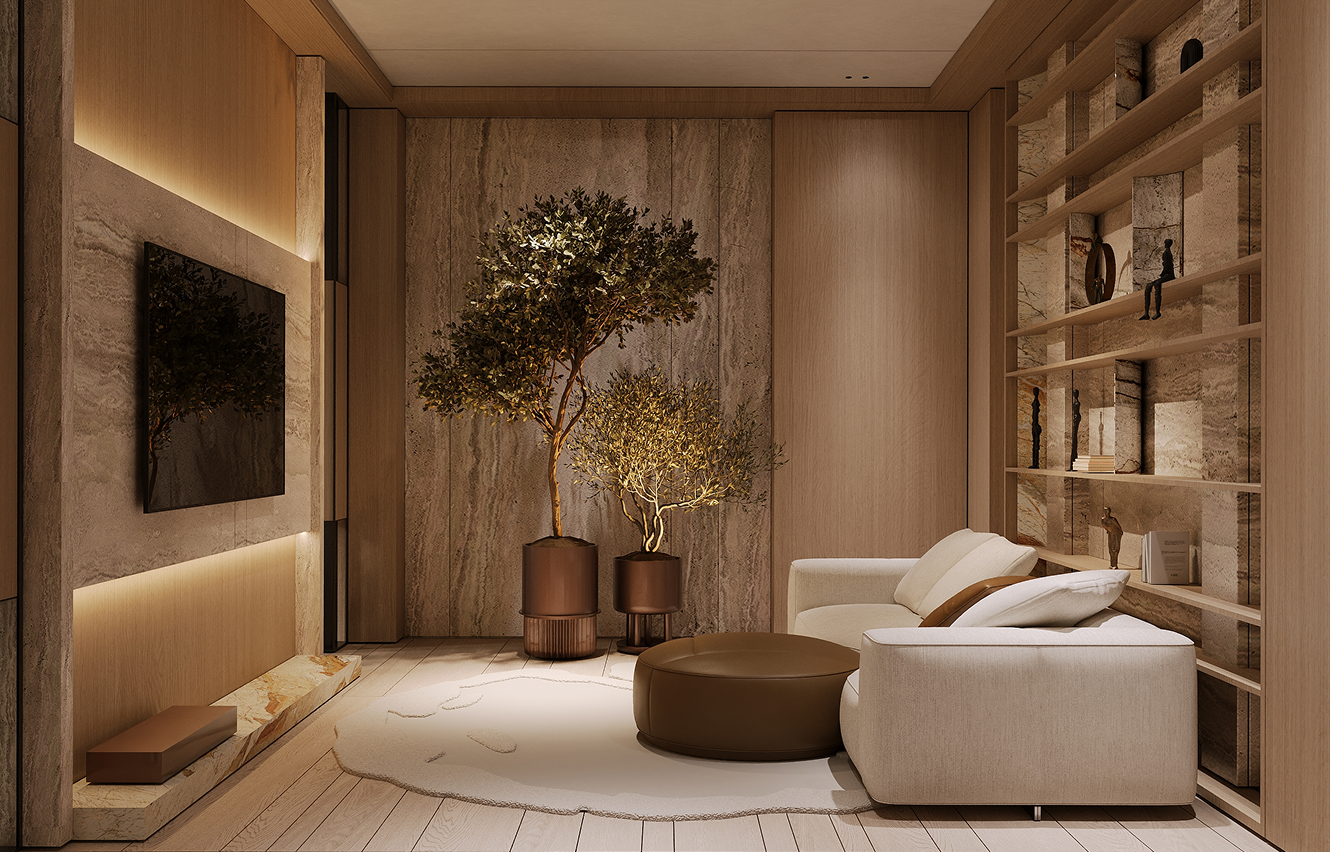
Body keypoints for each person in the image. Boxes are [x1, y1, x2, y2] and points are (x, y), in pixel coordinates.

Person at [1140, 239, 1175, 320]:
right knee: (1149, 286)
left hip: (1168, 275)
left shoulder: (1166, 253)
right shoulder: (1167, 253)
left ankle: (1157, 311)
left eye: (1166, 243)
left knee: (1156, 284)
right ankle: (1146, 313)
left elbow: (1167, 266)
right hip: (1167, 274)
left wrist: (1162, 274)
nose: (1165, 244)